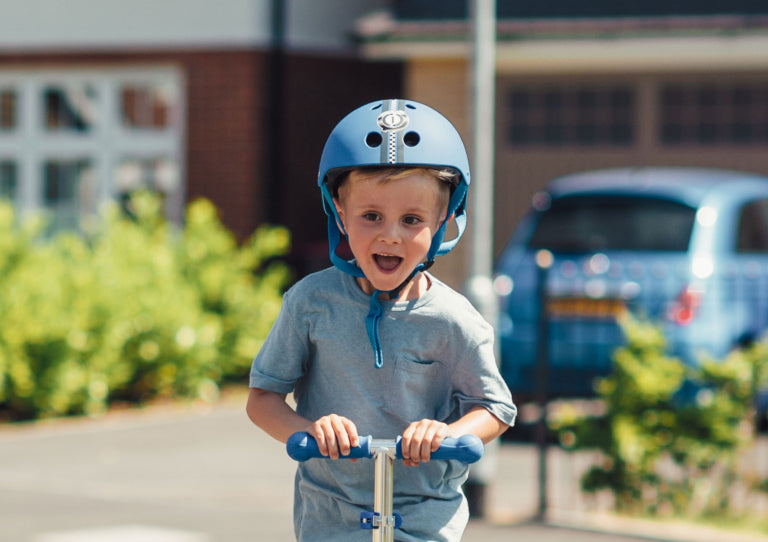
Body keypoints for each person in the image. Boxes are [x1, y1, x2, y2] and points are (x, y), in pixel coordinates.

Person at [246, 98, 516, 541]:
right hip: (331, 518)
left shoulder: (453, 320)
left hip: (424, 519)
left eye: (411, 220)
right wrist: (311, 431)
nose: (390, 235)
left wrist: (445, 433)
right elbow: (263, 398)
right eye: (371, 216)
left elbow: (495, 408)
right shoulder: (310, 303)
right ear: (339, 213)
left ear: (443, 219)